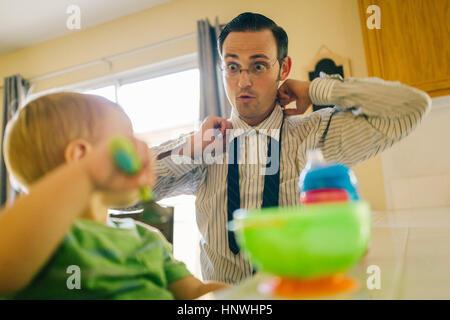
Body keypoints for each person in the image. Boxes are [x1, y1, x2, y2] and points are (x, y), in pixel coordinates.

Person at [151, 12, 432, 284]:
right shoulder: (203, 145)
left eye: (258, 66)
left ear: (283, 68)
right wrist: (189, 149)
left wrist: (315, 90)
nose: (243, 81)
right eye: (233, 67)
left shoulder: (320, 135)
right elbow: (126, 193)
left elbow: (412, 107)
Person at [0, 92, 227, 299]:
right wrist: (87, 173)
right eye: (127, 141)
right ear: (81, 156)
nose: (144, 151)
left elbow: (195, 292)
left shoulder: (147, 238)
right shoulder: (44, 240)